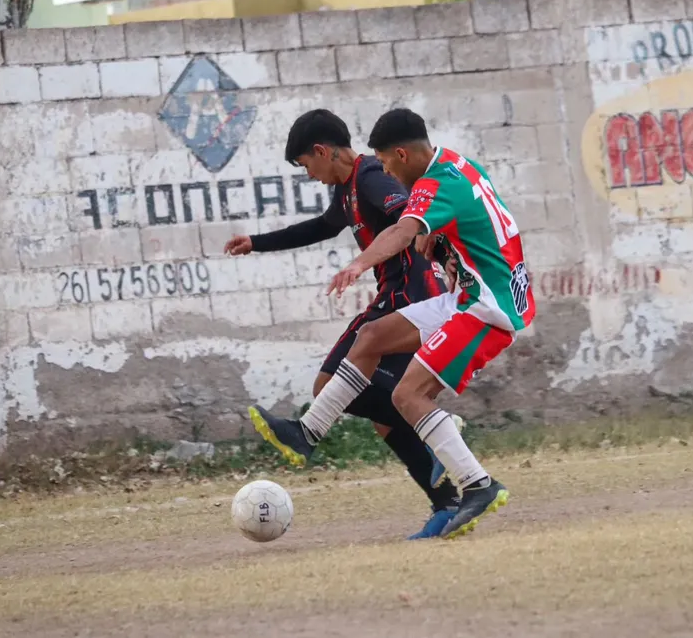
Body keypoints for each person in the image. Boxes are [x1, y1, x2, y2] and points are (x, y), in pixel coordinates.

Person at [248, 108, 536, 540]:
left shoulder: (428, 184)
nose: (383, 170)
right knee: (371, 338)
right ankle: (309, 431)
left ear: (401, 154)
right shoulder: (458, 164)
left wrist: (359, 263)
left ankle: (477, 484)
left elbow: (402, 229)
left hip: (485, 309)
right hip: (469, 296)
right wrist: (443, 243)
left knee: (406, 395)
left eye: (385, 161)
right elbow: (473, 224)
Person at [229, 108, 462, 539]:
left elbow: (410, 215)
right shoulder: (347, 190)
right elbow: (320, 227)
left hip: (410, 296)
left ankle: (432, 436)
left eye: (306, 165)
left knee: (335, 386)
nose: (309, 175)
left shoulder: (371, 176)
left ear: (322, 151)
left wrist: (439, 250)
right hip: (394, 295)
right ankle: (446, 497)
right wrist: (257, 243)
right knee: (379, 409)